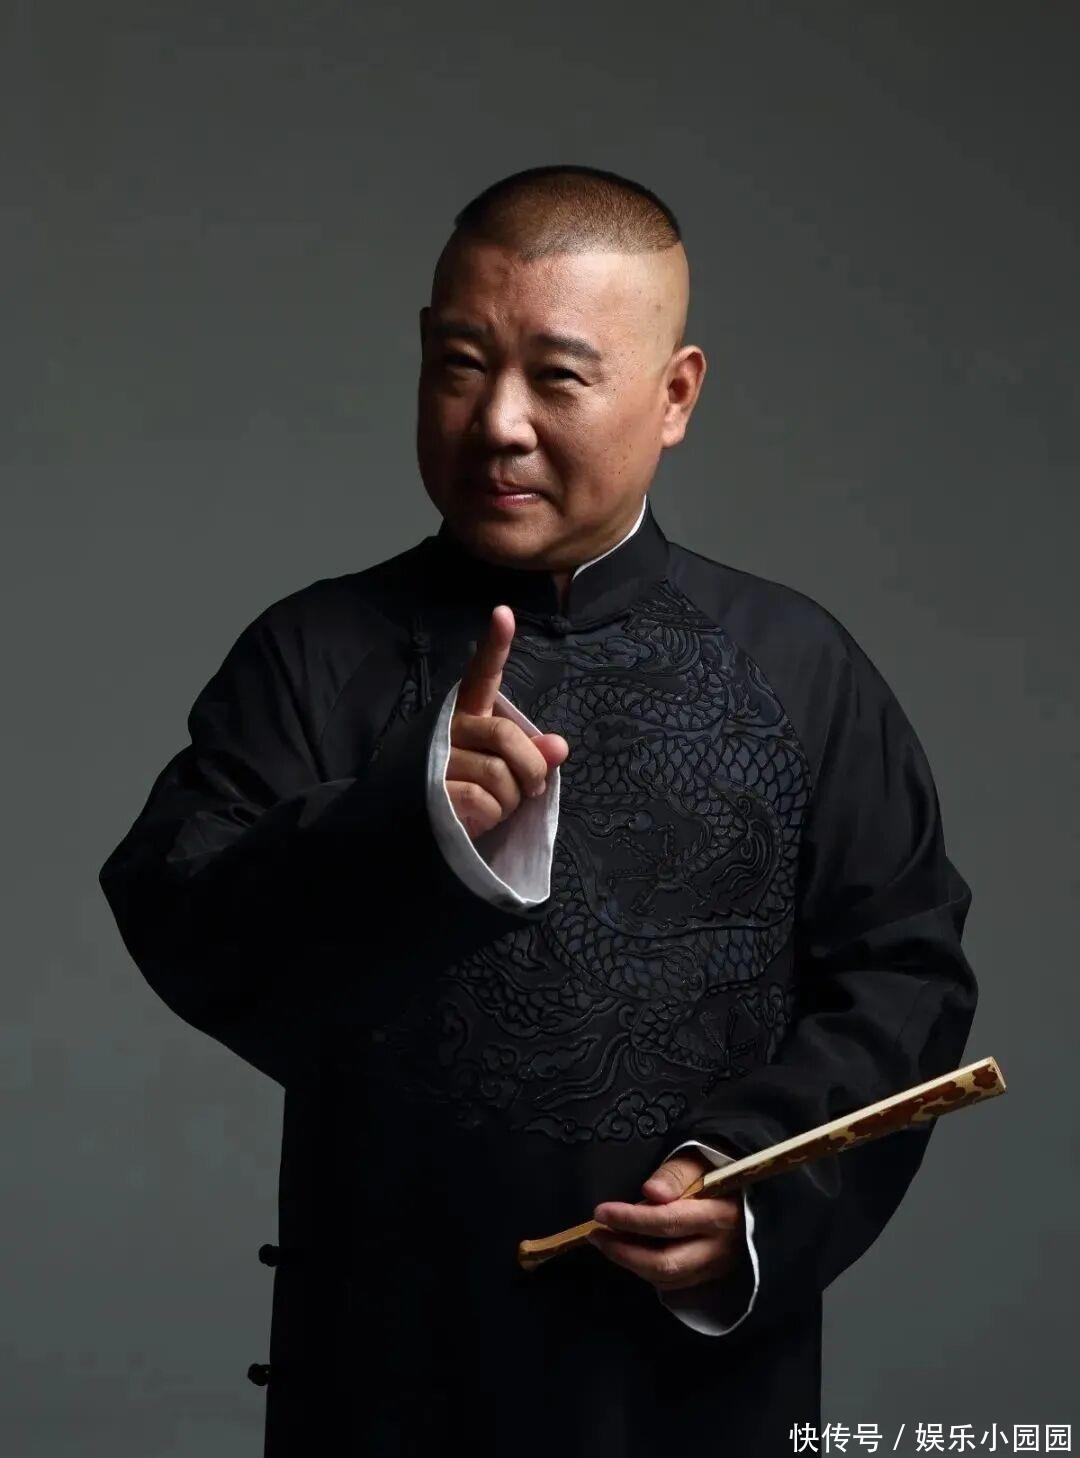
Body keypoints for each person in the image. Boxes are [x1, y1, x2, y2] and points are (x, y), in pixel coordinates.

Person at [98, 164, 978, 1457]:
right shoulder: (315, 653)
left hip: (688, 1401)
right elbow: (180, 911)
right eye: (461, 365)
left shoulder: (797, 668)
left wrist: (746, 1191)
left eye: (558, 377)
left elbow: (902, 976)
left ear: (674, 395)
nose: (498, 422)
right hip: (383, 1377)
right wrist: (403, 823)